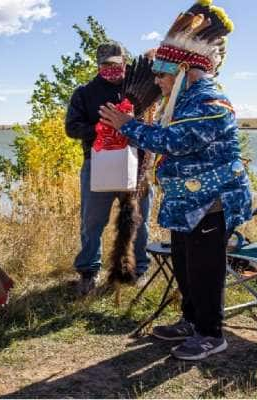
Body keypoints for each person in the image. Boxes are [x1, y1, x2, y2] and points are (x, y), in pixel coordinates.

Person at [98, 1, 252, 361]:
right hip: (188, 201)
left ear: (184, 70)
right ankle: (191, 321)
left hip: (213, 201)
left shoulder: (209, 100)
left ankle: (211, 334)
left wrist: (128, 126)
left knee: (205, 268)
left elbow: (176, 142)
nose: (157, 81)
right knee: (184, 263)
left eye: (162, 75)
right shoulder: (183, 100)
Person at [65, 42, 153, 295]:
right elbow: (72, 128)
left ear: (124, 63)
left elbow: (153, 124)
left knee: (139, 220)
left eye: (116, 64)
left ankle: (139, 269)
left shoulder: (141, 89)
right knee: (92, 221)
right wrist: (101, 128)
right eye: (106, 64)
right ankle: (88, 272)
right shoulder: (84, 93)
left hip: (137, 164)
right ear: (98, 64)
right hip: (98, 163)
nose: (112, 69)